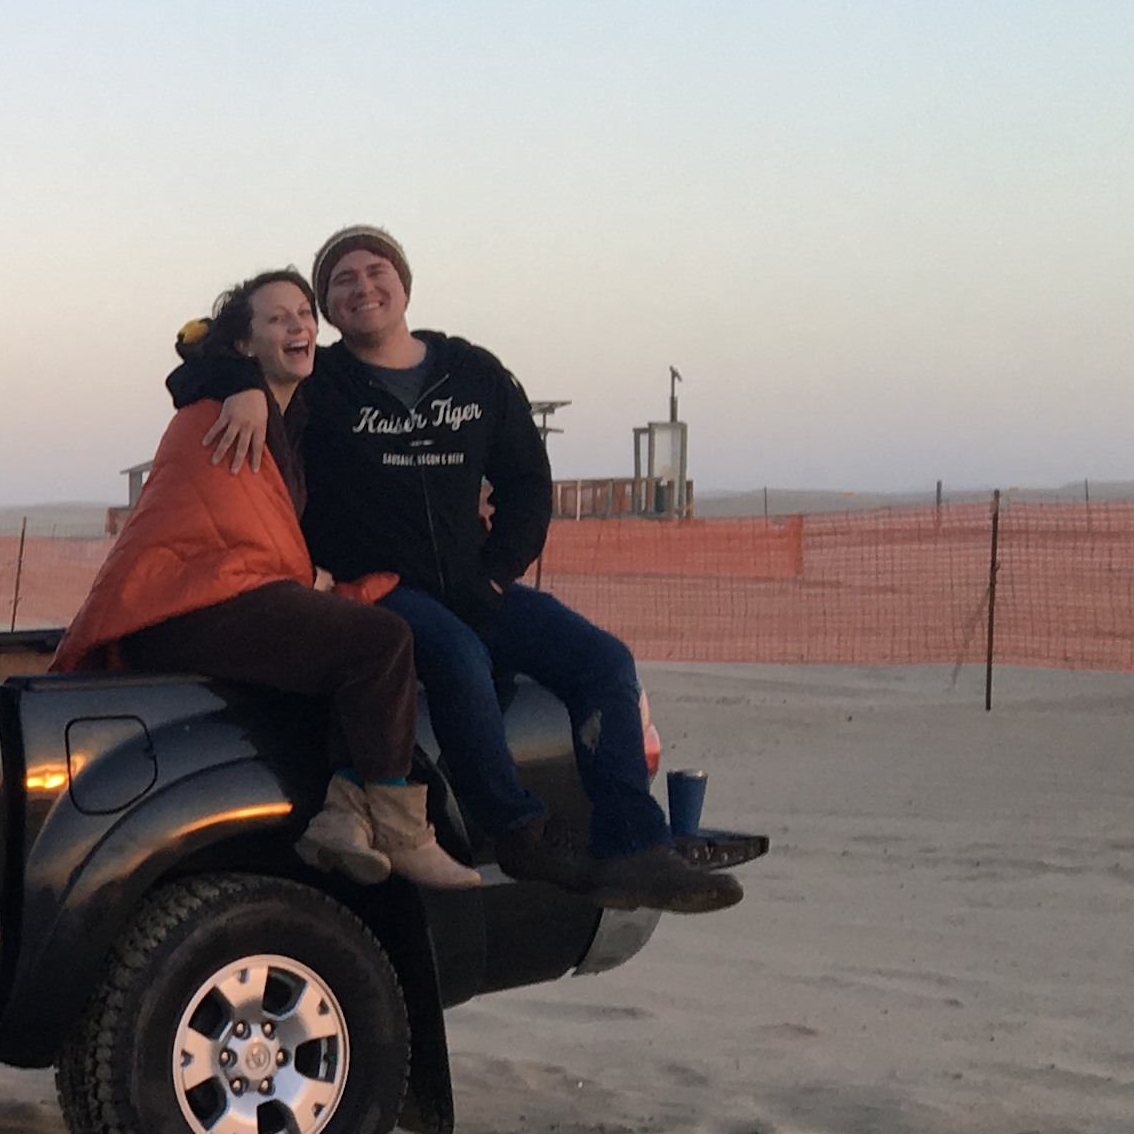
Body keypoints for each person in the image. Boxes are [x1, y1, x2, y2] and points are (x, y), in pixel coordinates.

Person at [174, 225, 737, 915]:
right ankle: (519, 829)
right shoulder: (322, 382)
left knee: (604, 661)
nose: (362, 287)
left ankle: (636, 847)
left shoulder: (472, 372)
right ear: (329, 308)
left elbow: (529, 480)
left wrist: (500, 571)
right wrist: (243, 387)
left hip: (479, 583)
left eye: (375, 270)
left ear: (403, 283)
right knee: (458, 655)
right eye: (341, 281)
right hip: (381, 590)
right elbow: (199, 359)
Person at [56, 270, 473, 890]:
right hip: (177, 605)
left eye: (305, 313)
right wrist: (238, 384)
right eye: (279, 318)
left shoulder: (292, 416)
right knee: (378, 641)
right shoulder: (218, 412)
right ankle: (401, 828)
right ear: (244, 345)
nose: (300, 325)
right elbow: (226, 521)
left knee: (360, 642)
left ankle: (345, 818)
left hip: (220, 592)